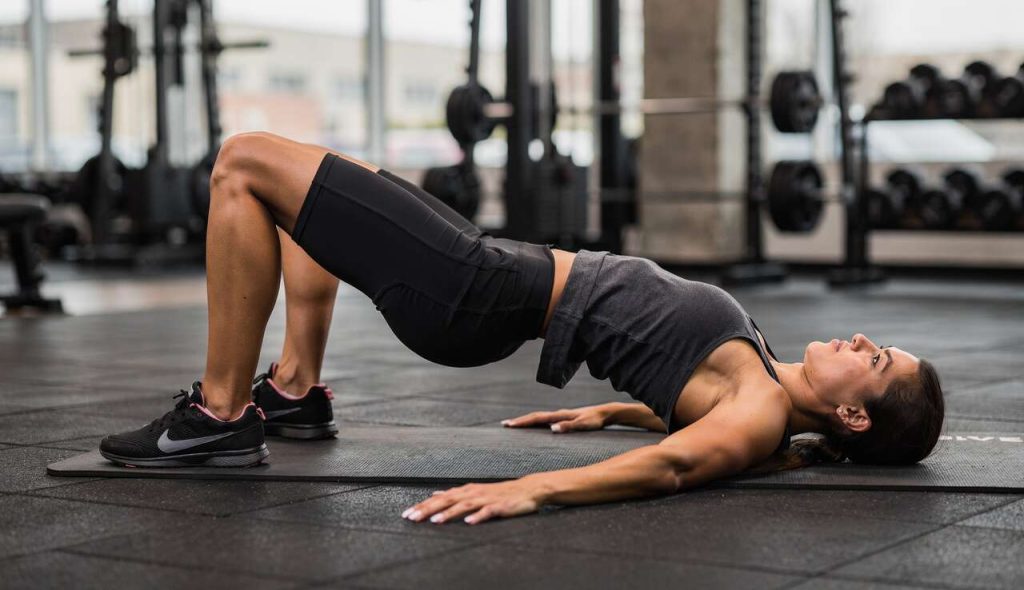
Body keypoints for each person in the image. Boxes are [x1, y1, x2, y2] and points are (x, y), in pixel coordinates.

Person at [99, 132, 945, 524]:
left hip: (474, 289)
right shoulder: (762, 391)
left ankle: (216, 417)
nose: (860, 340)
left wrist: (530, 489)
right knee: (334, 174)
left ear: (856, 417)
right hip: (488, 272)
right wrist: (610, 412)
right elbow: (687, 418)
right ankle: (290, 393)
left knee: (244, 163)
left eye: (874, 360)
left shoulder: (760, 412)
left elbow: (678, 464)